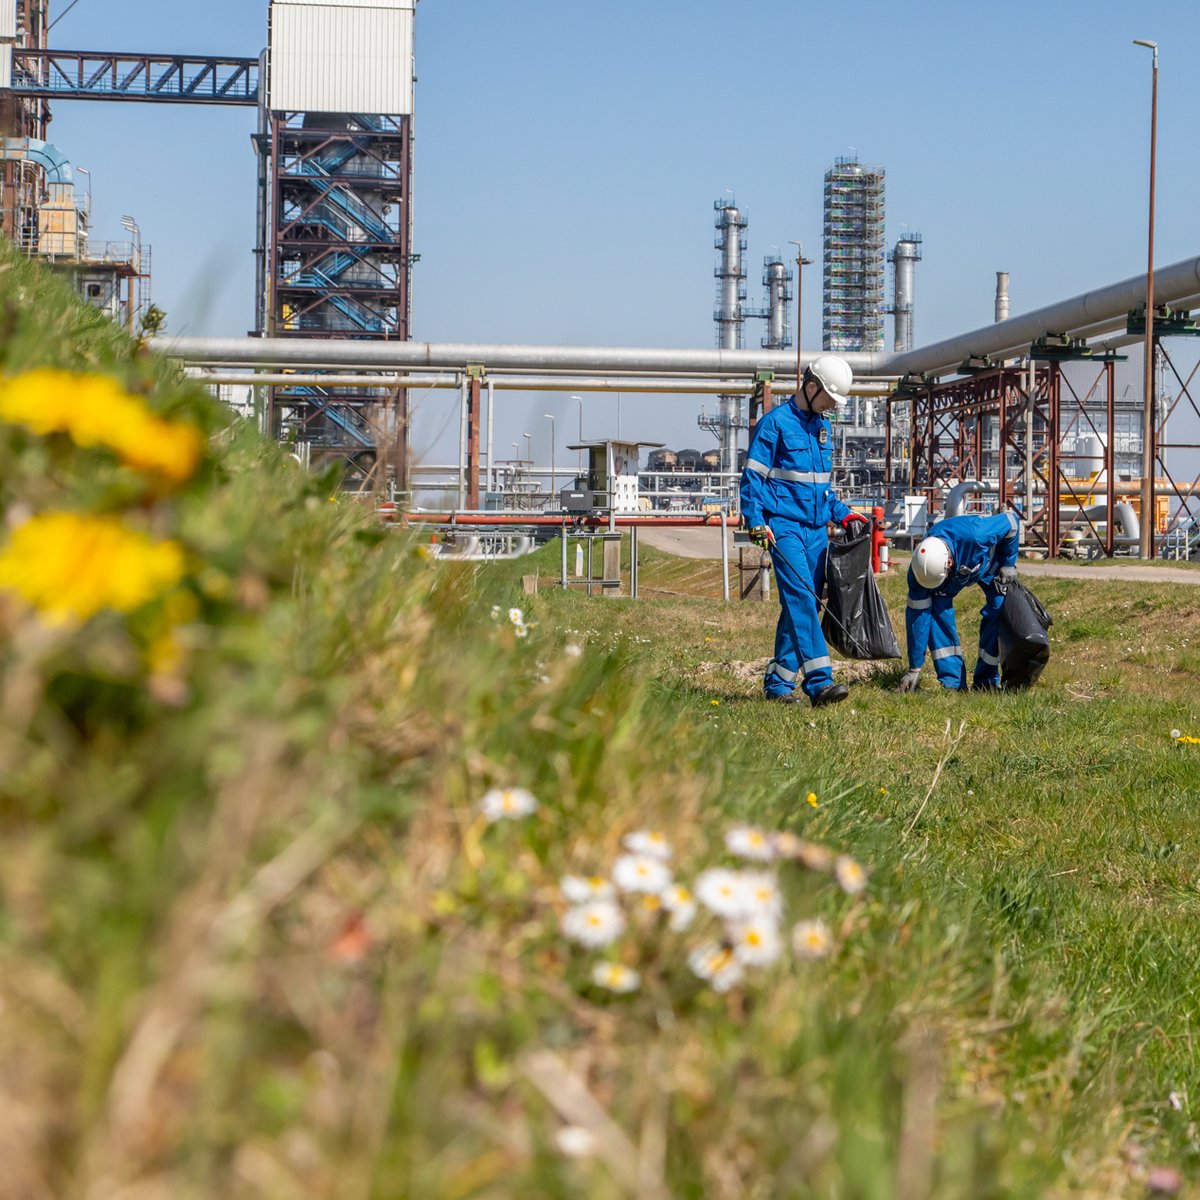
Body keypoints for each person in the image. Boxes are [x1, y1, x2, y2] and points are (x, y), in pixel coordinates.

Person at [739, 355, 869, 707]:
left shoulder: (821, 429)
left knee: (805, 601)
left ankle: (779, 683)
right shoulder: (775, 425)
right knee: (800, 598)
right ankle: (820, 682)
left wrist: (844, 514)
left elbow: (822, 488)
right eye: (829, 399)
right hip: (783, 527)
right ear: (811, 387)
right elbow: (752, 478)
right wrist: (754, 520)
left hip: (816, 531)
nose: (831, 407)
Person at [897, 509, 1021, 693]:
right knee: (937, 617)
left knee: (999, 608)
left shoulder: (976, 533)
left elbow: (1012, 522)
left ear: (948, 563)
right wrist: (914, 668)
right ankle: (954, 686)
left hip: (988, 563)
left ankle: (985, 682)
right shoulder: (920, 574)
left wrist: (1008, 563)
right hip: (953, 578)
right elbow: (918, 620)